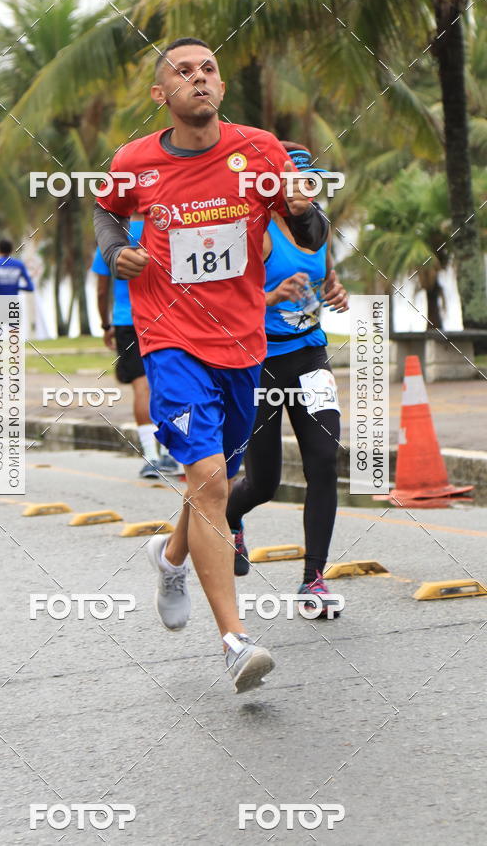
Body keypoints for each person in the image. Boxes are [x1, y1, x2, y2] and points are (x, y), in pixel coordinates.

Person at [94, 38, 328, 693]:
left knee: (214, 482)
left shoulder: (260, 151)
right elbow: (106, 212)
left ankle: (170, 558)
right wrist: (115, 252)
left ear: (220, 86)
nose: (198, 78)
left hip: (243, 345)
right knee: (208, 479)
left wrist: (306, 212)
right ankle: (234, 640)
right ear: (160, 94)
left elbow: (311, 235)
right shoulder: (134, 162)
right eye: (183, 72)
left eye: (209, 69)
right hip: (169, 339)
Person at [227, 143, 348, 617]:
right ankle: (231, 516)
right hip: (260, 363)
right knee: (265, 483)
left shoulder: (321, 227)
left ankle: (313, 579)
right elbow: (227, 302)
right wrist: (272, 295)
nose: (300, 191)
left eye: (307, 182)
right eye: (289, 183)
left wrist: (334, 291)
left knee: (324, 461)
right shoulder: (258, 230)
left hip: (310, 356)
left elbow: (324, 278)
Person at [91, 217, 181, 478]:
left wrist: (105, 324)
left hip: (127, 320)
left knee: (142, 387)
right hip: (165, 317)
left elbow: (101, 290)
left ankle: (151, 458)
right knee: (169, 383)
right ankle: (170, 454)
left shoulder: (112, 238)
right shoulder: (168, 230)